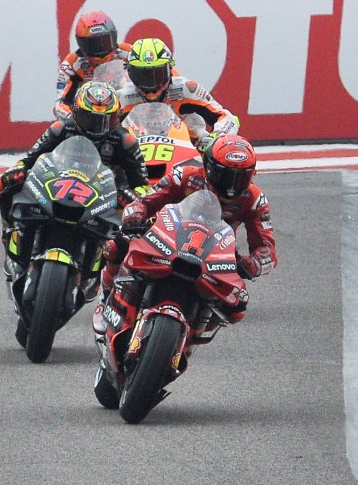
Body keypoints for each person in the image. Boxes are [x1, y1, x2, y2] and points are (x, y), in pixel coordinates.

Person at [98, 134, 274, 340]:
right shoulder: (185, 176)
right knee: (117, 244)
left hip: (215, 254)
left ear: (252, 174)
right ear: (208, 167)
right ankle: (105, 298)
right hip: (166, 236)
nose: (231, 185)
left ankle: (190, 334)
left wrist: (251, 264)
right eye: (224, 175)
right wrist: (134, 218)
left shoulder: (254, 199)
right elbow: (144, 201)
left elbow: (267, 250)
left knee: (238, 307)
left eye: (240, 178)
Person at [0, 80, 149, 272]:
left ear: (116, 117)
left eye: (106, 120)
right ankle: (9, 231)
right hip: (59, 185)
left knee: (139, 218)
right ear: (76, 112)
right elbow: (30, 160)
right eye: (90, 119)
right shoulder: (60, 129)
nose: (98, 127)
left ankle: (115, 273)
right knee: (4, 182)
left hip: (105, 195)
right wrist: (19, 171)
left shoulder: (125, 141)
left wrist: (133, 195)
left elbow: (142, 183)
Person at [125, 37, 238, 150]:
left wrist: (217, 136)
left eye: (157, 73)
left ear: (170, 68)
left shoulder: (187, 89)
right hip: (138, 152)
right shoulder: (124, 96)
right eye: (142, 75)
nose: (150, 83)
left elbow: (227, 117)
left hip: (192, 149)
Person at [53, 11, 134, 119]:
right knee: (57, 128)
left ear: (114, 36)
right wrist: (73, 119)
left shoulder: (129, 52)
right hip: (92, 119)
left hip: (126, 116)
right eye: (93, 44)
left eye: (105, 41)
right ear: (82, 44)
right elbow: (60, 104)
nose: (101, 48)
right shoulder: (72, 64)